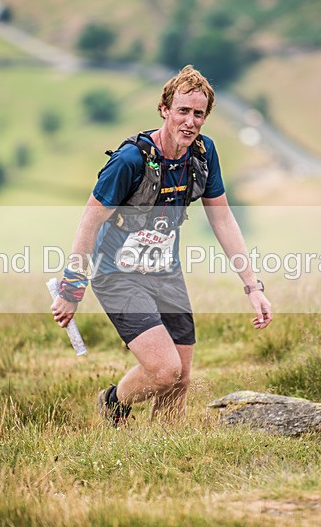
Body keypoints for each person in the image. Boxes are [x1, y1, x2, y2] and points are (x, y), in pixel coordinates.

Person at [52, 65, 272, 425]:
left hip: (165, 273)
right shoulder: (130, 161)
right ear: (164, 109)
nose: (190, 121)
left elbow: (222, 220)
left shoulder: (203, 154)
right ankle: (113, 402)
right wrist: (72, 288)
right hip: (117, 274)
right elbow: (89, 222)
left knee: (180, 380)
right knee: (165, 370)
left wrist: (253, 287)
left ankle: (164, 445)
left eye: (198, 113)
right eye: (183, 110)